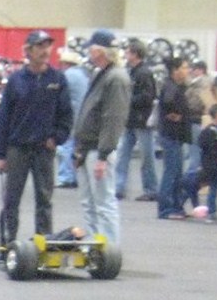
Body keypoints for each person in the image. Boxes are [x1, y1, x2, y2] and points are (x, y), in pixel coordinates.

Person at [0, 30, 72, 254]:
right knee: (11, 200)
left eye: (48, 46)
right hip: (17, 149)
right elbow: (4, 118)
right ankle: (7, 245)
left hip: (44, 149)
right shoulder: (16, 80)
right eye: (40, 46)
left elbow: (66, 115)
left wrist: (56, 138)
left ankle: (43, 246)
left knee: (44, 200)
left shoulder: (57, 79)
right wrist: (1, 154)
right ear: (28, 50)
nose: (45, 51)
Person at [71, 29, 131, 245]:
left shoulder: (116, 78)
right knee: (90, 203)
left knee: (104, 203)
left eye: (92, 48)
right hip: (89, 147)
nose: (89, 51)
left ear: (100, 51)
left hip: (99, 149)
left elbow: (113, 118)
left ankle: (109, 250)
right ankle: (95, 246)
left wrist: (103, 156)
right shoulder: (104, 74)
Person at [115, 38, 159, 201]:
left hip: (142, 120)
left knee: (146, 157)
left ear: (135, 54)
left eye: (128, 52)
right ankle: (118, 187)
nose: (125, 54)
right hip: (131, 120)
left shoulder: (143, 73)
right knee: (122, 154)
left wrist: (126, 100)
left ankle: (151, 189)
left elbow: (148, 96)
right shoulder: (132, 71)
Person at [156, 55, 197, 219]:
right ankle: (165, 209)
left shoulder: (177, 87)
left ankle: (176, 207)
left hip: (177, 135)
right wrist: (175, 114)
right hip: (171, 135)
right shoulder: (171, 87)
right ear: (175, 70)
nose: (187, 71)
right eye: (184, 68)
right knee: (171, 172)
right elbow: (168, 103)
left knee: (177, 173)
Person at [55, 47, 91, 187]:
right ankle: (75, 175)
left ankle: (66, 177)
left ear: (65, 63)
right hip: (83, 115)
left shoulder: (67, 75)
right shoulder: (83, 75)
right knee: (76, 146)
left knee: (65, 146)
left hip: (71, 116)